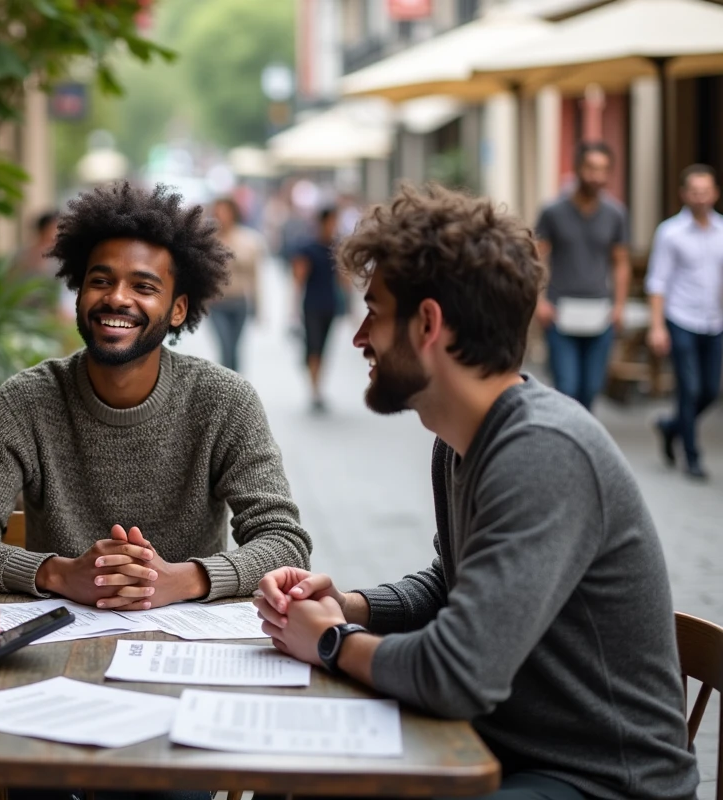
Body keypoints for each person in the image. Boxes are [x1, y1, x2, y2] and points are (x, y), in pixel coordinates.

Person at [254, 185, 699, 800]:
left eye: (375, 312)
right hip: (503, 751)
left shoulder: (544, 451)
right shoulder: (461, 438)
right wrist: (351, 606)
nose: (359, 337)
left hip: (600, 782)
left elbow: (456, 673)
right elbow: (450, 582)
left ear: (429, 324)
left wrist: (331, 642)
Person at [0, 182, 311, 612]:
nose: (117, 298)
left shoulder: (224, 401)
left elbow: (285, 542)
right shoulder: (27, 400)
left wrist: (180, 580)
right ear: (78, 291)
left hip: (191, 647)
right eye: (100, 281)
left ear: (178, 309)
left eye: (143, 287)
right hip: (57, 644)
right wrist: (58, 573)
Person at [534, 141, 631, 411]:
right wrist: (540, 301)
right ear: (577, 168)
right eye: (591, 168)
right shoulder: (553, 211)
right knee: (567, 386)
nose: (597, 176)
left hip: (600, 311)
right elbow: (539, 257)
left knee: (590, 388)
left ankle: (580, 446)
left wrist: (619, 306)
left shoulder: (615, 214)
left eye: (603, 170)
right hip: (560, 311)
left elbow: (620, 263)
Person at [646, 164, 723, 481]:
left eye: (706, 191)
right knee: (688, 389)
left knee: (710, 390)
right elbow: (657, 282)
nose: (701, 197)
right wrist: (657, 326)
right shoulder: (670, 232)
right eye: (695, 191)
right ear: (683, 195)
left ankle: (670, 427)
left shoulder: (722, 231)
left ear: (715, 193)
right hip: (681, 318)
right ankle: (691, 456)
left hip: (714, 321)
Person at [291, 207, 350, 411]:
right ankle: (314, 389)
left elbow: (344, 279)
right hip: (312, 305)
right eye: (332, 221)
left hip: (330, 305)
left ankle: (317, 383)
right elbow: (298, 280)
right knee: (315, 346)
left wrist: (352, 306)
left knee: (323, 349)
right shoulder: (307, 248)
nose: (334, 226)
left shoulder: (337, 248)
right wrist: (292, 309)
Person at [208, 196, 265, 372]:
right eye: (218, 212)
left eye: (225, 211)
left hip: (239, 301)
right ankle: (227, 385)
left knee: (235, 348)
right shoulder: (208, 240)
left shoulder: (249, 240)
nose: (221, 216)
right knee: (225, 346)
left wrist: (259, 306)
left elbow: (255, 276)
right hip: (216, 303)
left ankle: (236, 386)